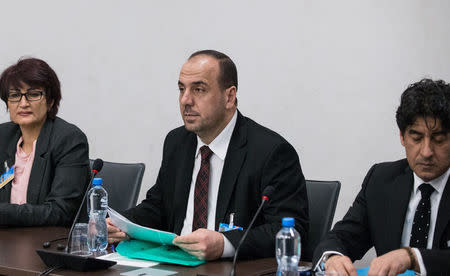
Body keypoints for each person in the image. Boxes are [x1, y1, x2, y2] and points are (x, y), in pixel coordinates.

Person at [107, 50, 308, 260]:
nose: (186, 100)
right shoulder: (177, 142)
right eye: (181, 89)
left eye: (199, 89)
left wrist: (225, 244)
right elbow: (158, 207)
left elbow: (292, 231)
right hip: (174, 263)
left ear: (229, 97)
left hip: (229, 268)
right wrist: (120, 224)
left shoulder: (270, 151)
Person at [314, 79, 450, 275]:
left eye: (438, 139)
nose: (427, 151)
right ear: (402, 137)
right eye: (417, 138)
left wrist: (411, 257)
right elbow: (341, 237)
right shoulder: (381, 180)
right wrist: (333, 258)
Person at [0, 58, 90, 226]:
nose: (23, 103)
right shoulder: (3, 136)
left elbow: (60, 211)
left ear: (50, 101)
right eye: (15, 95)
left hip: (47, 243)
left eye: (33, 94)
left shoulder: (69, 139)